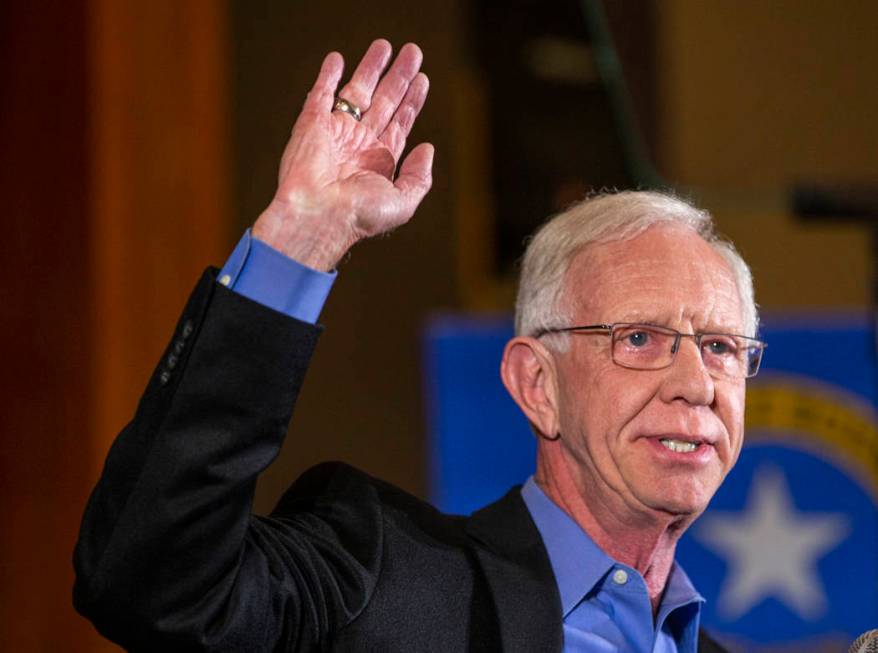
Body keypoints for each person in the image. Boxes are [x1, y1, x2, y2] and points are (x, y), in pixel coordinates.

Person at [74, 39, 762, 652]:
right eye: (639, 337)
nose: (696, 383)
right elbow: (154, 585)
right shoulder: (382, 578)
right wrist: (300, 241)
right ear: (537, 385)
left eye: (723, 347)